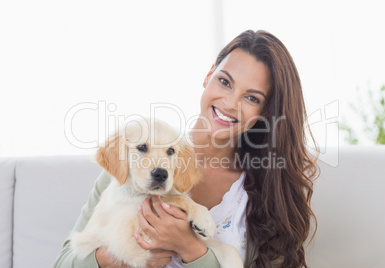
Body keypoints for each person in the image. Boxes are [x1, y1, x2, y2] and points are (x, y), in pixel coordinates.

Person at [53, 29, 319, 268]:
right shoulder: (133, 163)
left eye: (251, 98)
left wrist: (190, 249)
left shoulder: (269, 190)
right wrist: (114, 260)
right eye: (225, 81)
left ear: (265, 112)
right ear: (208, 75)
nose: (229, 103)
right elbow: (64, 263)